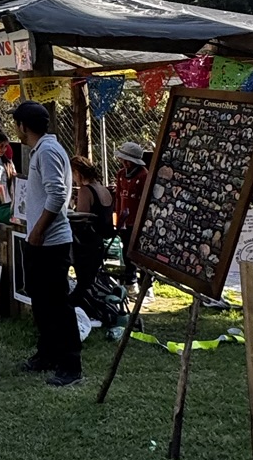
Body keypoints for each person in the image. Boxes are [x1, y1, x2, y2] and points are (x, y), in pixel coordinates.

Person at [13, 100, 79, 386]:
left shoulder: (48, 151)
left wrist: (39, 230)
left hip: (51, 241)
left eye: (17, 125)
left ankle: (71, 365)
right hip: (40, 240)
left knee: (57, 303)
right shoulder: (41, 150)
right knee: (41, 302)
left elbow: (57, 194)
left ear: (23, 126)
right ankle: (47, 353)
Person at [69, 155, 116, 304]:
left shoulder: (85, 191)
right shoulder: (103, 189)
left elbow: (81, 219)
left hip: (86, 244)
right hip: (101, 241)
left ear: (77, 173)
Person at [113, 140, 151, 293]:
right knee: (126, 252)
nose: (125, 163)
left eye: (127, 160)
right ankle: (130, 282)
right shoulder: (121, 174)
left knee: (141, 254)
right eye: (123, 160)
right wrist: (118, 219)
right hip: (125, 221)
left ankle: (146, 285)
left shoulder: (144, 175)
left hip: (139, 222)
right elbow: (118, 197)